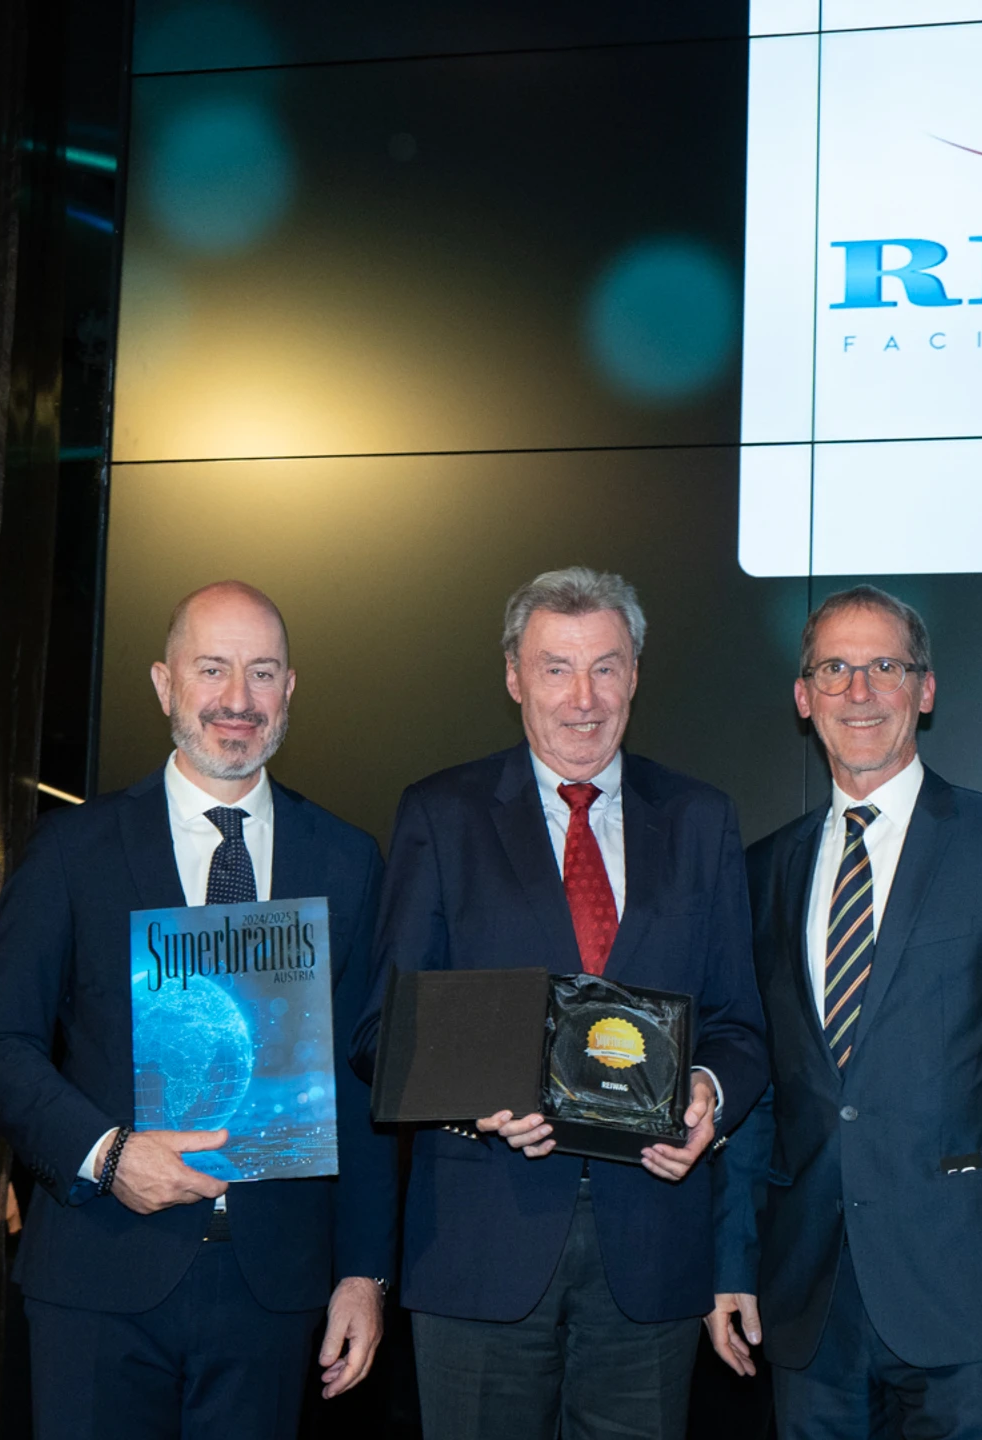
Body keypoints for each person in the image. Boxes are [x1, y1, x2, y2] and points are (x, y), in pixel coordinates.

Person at [0, 581, 396, 1438]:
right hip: (99, 1275)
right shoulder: (74, 850)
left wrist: (364, 1274)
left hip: (273, 1292)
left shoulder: (346, 860)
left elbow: (362, 1079)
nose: (238, 698)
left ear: (289, 690)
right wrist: (108, 1154)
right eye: (212, 668)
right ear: (164, 684)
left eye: (261, 673)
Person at [353, 566, 767, 1440]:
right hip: (479, 1242)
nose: (584, 699)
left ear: (635, 674)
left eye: (605, 667)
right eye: (556, 669)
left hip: (651, 1245)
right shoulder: (441, 815)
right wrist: (478, 1097)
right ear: (514, 677)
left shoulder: (701, 819)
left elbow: (739, 1024)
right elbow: (381, 1031)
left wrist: (706, 1093)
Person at [708, 585, 982, 1440]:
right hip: (807, 1302)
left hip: (975, 1295)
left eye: (885, 667)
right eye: (834, 669)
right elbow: (761, 1087)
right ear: (803, 697)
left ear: (924, 690)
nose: (859, 692)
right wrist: (731, 1262)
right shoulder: (764, 870)